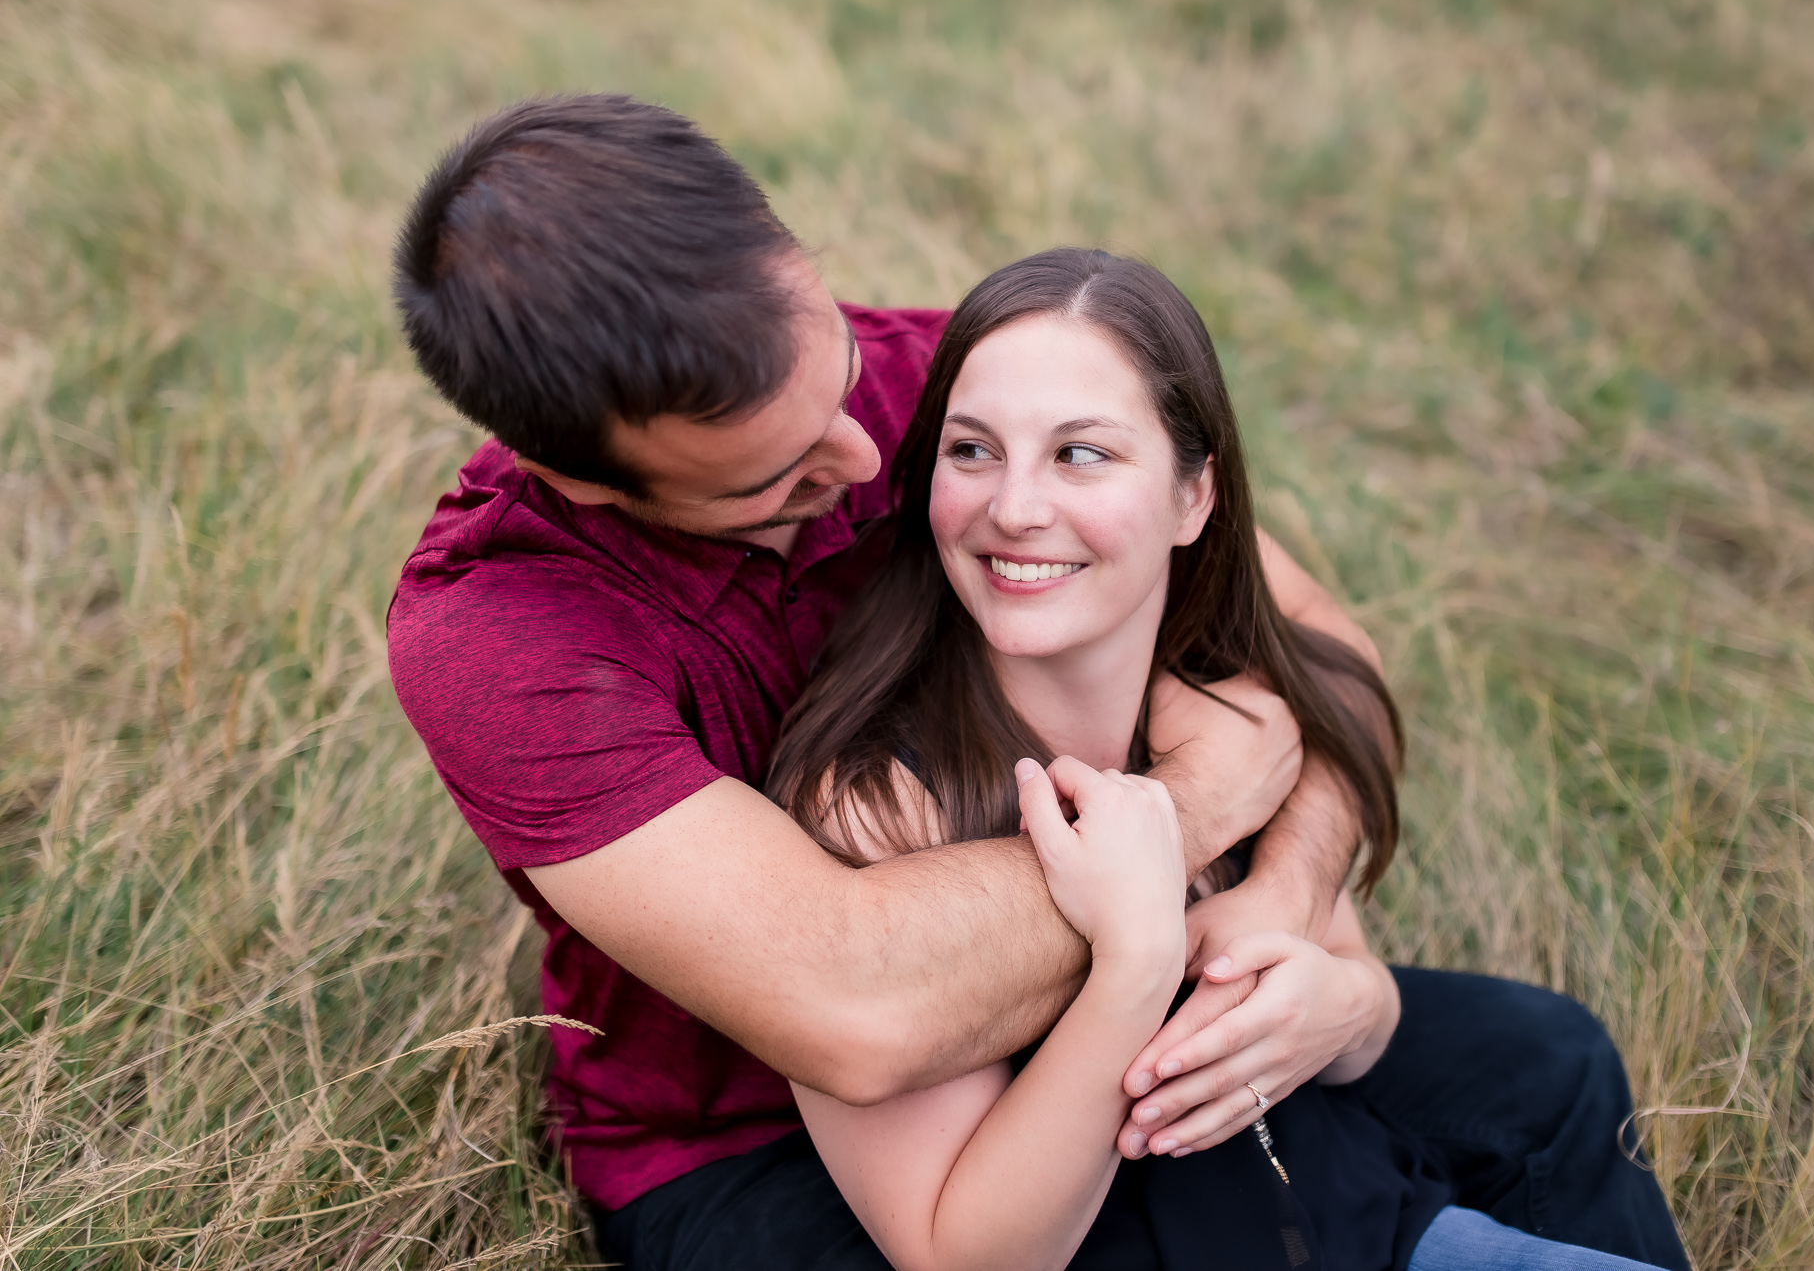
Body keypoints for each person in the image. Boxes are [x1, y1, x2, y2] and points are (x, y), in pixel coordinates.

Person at [383, 93, 1691, 1270]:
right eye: (766, 481)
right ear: (586, 480)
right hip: (744, 1141)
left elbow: (1323, 652)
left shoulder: (943, 397)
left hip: (1074, 1000)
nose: (859, 447)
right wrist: (1194, 806)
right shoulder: (502, 635)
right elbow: (857, 1010)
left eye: (836, 370)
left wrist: (1285, 902)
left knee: (1545, 1067)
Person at [751, 246, 1667, 1271]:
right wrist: (1133, 964)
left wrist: (1344, 1008)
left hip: (1377, 1225)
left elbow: (1351, 989)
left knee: (1552, 1061)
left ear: (1195, 498)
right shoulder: (877, 797)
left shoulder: (1221, 710)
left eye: (1080, 454)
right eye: (972, 451)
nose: (1013, 508)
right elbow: (966, 1257)